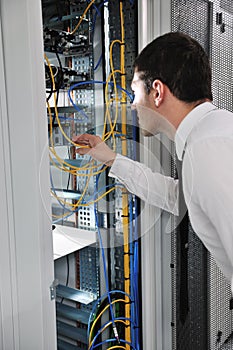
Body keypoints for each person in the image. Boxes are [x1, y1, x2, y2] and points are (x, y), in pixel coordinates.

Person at [72, 32, 233, 291]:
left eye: (135, 91)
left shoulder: (207, 152)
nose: (133, 105)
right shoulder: (214, 132)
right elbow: (178, 196)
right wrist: (111, 159)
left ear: (157, 92)